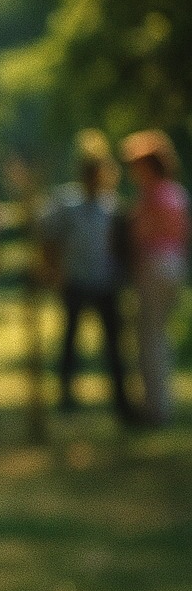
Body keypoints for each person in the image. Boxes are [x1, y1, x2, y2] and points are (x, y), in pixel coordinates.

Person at [38, 131, 136, 423]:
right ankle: (67, 397)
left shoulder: (113, 207)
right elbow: (48, 237)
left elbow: (123, 246)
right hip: (75, 280)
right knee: (70, 342)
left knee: (114, 345)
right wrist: (53, 270)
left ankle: (121, 401)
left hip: (106, 282)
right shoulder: (66, 204)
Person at [121, 128, 189, 427]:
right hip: (175, 266)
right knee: (158, 337)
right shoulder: (177, 193)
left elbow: (141, 234)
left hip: (155, 266)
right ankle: (160, 404)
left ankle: (155, 409)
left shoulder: (152, 196)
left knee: (149, 338)